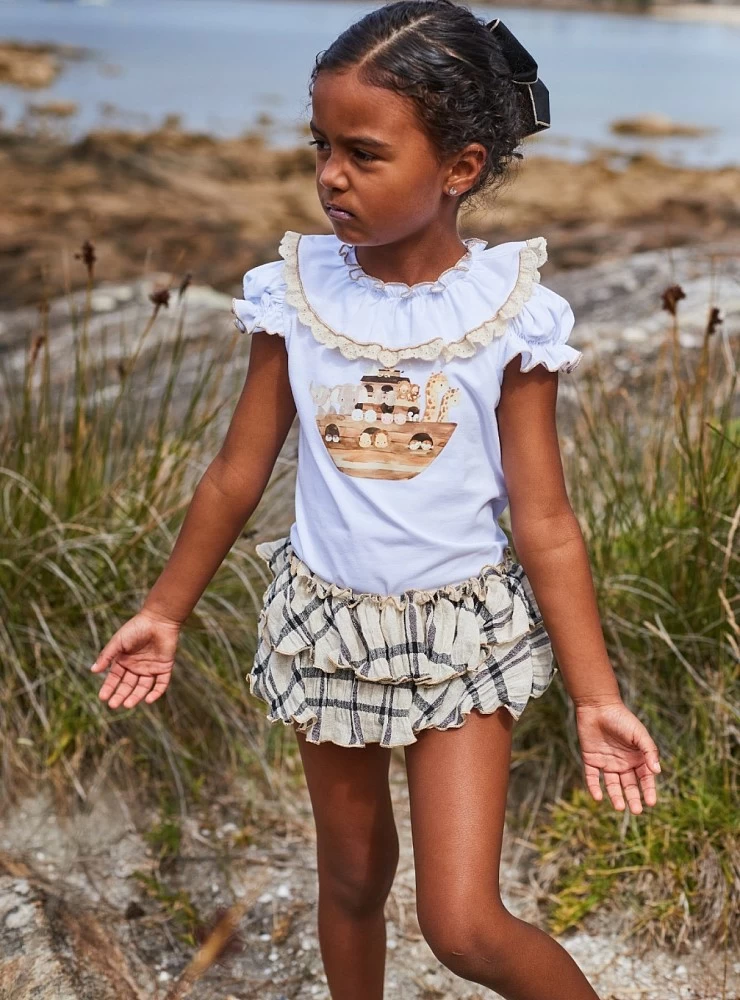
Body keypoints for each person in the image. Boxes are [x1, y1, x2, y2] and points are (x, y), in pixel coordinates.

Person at [91, 3, 662, 997]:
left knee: (462, 925)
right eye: (320, 144)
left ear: (461, 168)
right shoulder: (296, 293)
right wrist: (163, 611)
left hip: (462, 636)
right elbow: (235, 472)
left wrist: (596, 697)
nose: (330, 175)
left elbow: (545, 522)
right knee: (352, 880)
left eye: (362, 153)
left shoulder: (507, 316)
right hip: (327, 629)